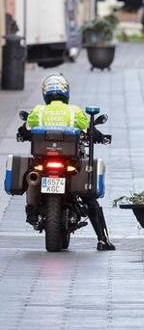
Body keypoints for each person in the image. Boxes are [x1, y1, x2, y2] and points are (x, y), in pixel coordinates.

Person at [23, 74, 115, 251]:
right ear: (66, 93)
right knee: (89, 197)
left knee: (30, 175)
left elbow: (27, 127)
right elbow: (89, 129)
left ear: (45, 94)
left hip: (42, 163)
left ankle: (31, 210)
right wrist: (100, 136)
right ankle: (103, 240)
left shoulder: (39, 111)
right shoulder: (74, 111)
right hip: (70, 163)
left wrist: (24, 133)